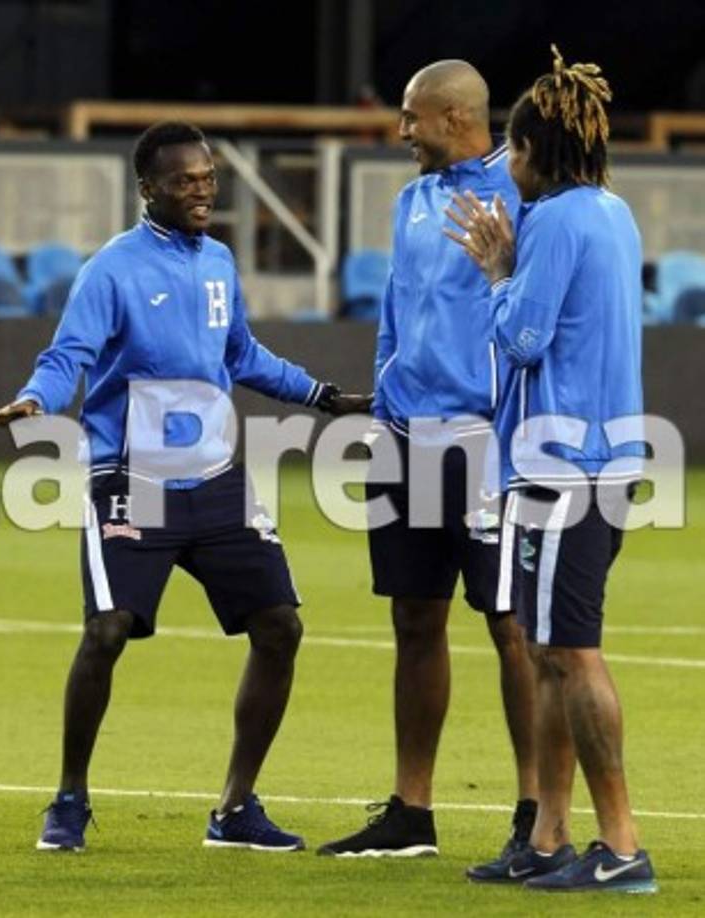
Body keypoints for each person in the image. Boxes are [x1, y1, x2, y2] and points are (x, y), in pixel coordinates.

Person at [0, 121, 369, 853]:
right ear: (148, 188)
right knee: (107, 630)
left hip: (216, 478)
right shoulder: (111, 270)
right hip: (133, 478)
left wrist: (323, 397)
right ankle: (69, 799)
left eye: (208, 178)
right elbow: (69, 355)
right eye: (185, 180)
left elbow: (242, 354)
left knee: (280, 627)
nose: (202, 191)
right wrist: (37, 399)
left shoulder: (218, 261)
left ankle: (236, 808)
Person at [445, 46, 655, 894]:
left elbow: (523, 339)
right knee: (544, 650)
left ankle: (621, 844)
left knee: (571, 651)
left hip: (567, 464)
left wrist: (499, 273)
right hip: (594, 456)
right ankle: (547, 837)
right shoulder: (613, 213)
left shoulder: (558, 221)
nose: (508, 163)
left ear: (534, 149)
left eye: (514, 148)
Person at [318, 60, 539, 868]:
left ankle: (536, 811)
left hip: (485, 440)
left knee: (512, 625)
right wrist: (384, 402)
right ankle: (411, 811)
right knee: (414, 618)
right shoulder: (411, 200)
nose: (401, 130)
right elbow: (396, 311)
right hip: (405, 434)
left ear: (454, 116)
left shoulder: (521, 192)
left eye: (412, 117)